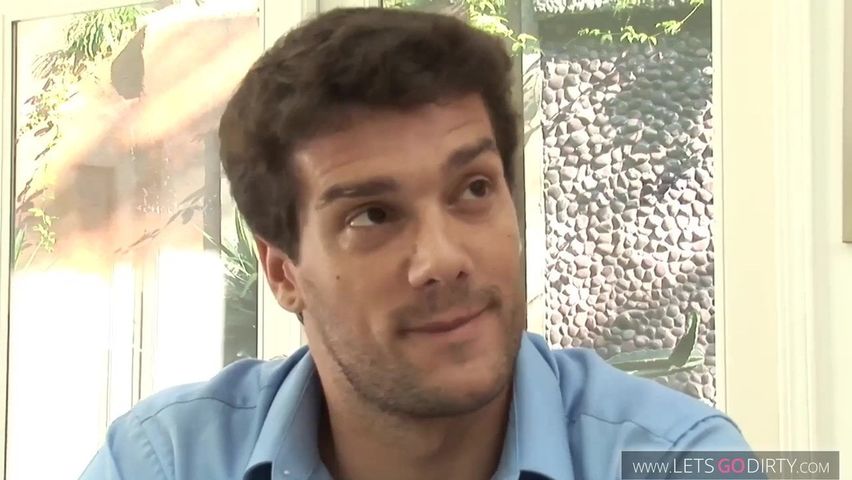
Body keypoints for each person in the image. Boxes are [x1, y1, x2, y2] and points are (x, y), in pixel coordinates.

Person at [81, 7, 752, 480]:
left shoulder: (679, 460)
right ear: (283, 273)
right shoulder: (164, 462)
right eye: (373, 216)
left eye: (474, 189)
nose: (444, 259)